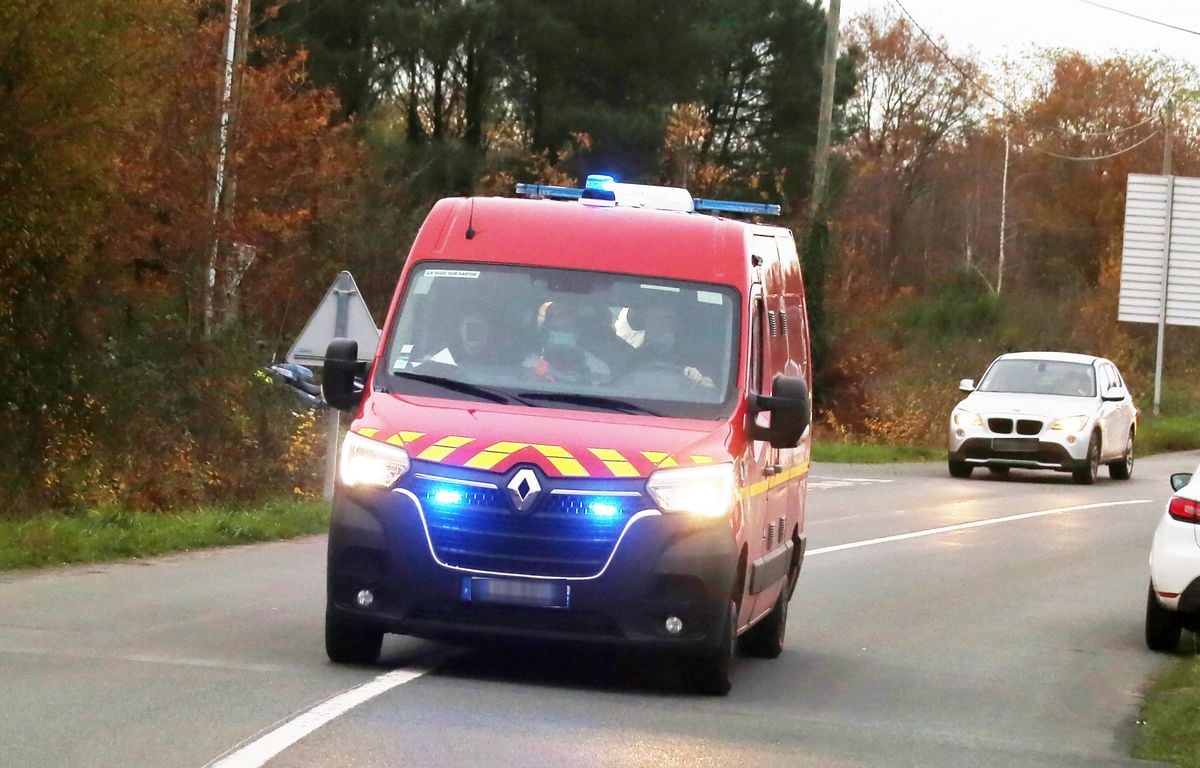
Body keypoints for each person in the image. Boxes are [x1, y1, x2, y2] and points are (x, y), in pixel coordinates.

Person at [624, 305, 714, 387]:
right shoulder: (633, 357)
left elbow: (711, 392)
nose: (659, 324)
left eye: (665, 319)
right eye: (654, 319)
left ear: (676, 323)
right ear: (645, 322)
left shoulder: (697, 358)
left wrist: (699, 380)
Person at [525, 301, 611, 383]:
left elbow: (603, 379)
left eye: (565, 313)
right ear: (546, 321)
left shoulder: (595, 362)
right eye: (552, 314)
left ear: (575, 319)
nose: (558, 317)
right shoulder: (532, 354)